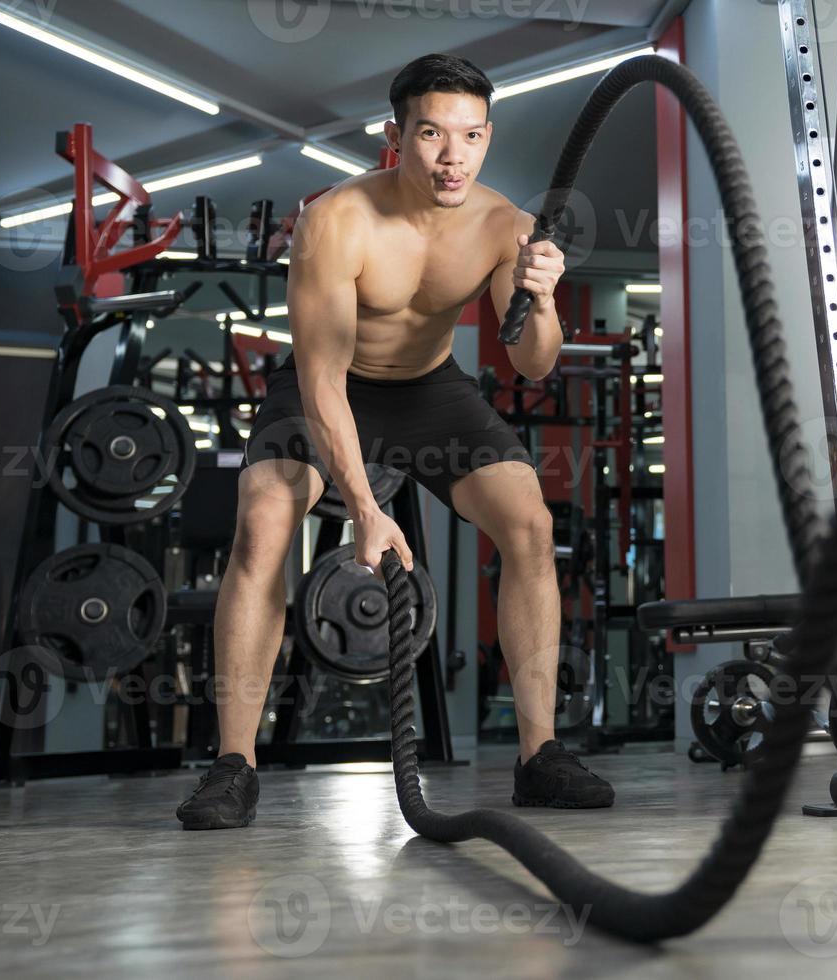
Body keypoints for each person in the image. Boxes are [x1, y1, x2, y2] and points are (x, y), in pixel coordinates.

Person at [176, 53, 614, 830]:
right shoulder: (336, 221)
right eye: (432, 134)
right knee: (263, 521)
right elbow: (319, 379)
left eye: (472, 136)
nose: (453, 156)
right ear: (395, 135)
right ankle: (232, 765)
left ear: (487, 137)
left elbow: (531, 364)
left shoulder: (503, 225)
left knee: (531, 525)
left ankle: (538, 756)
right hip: (332, 385)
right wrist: (363, 510)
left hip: (431, 391)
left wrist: (542, 300)